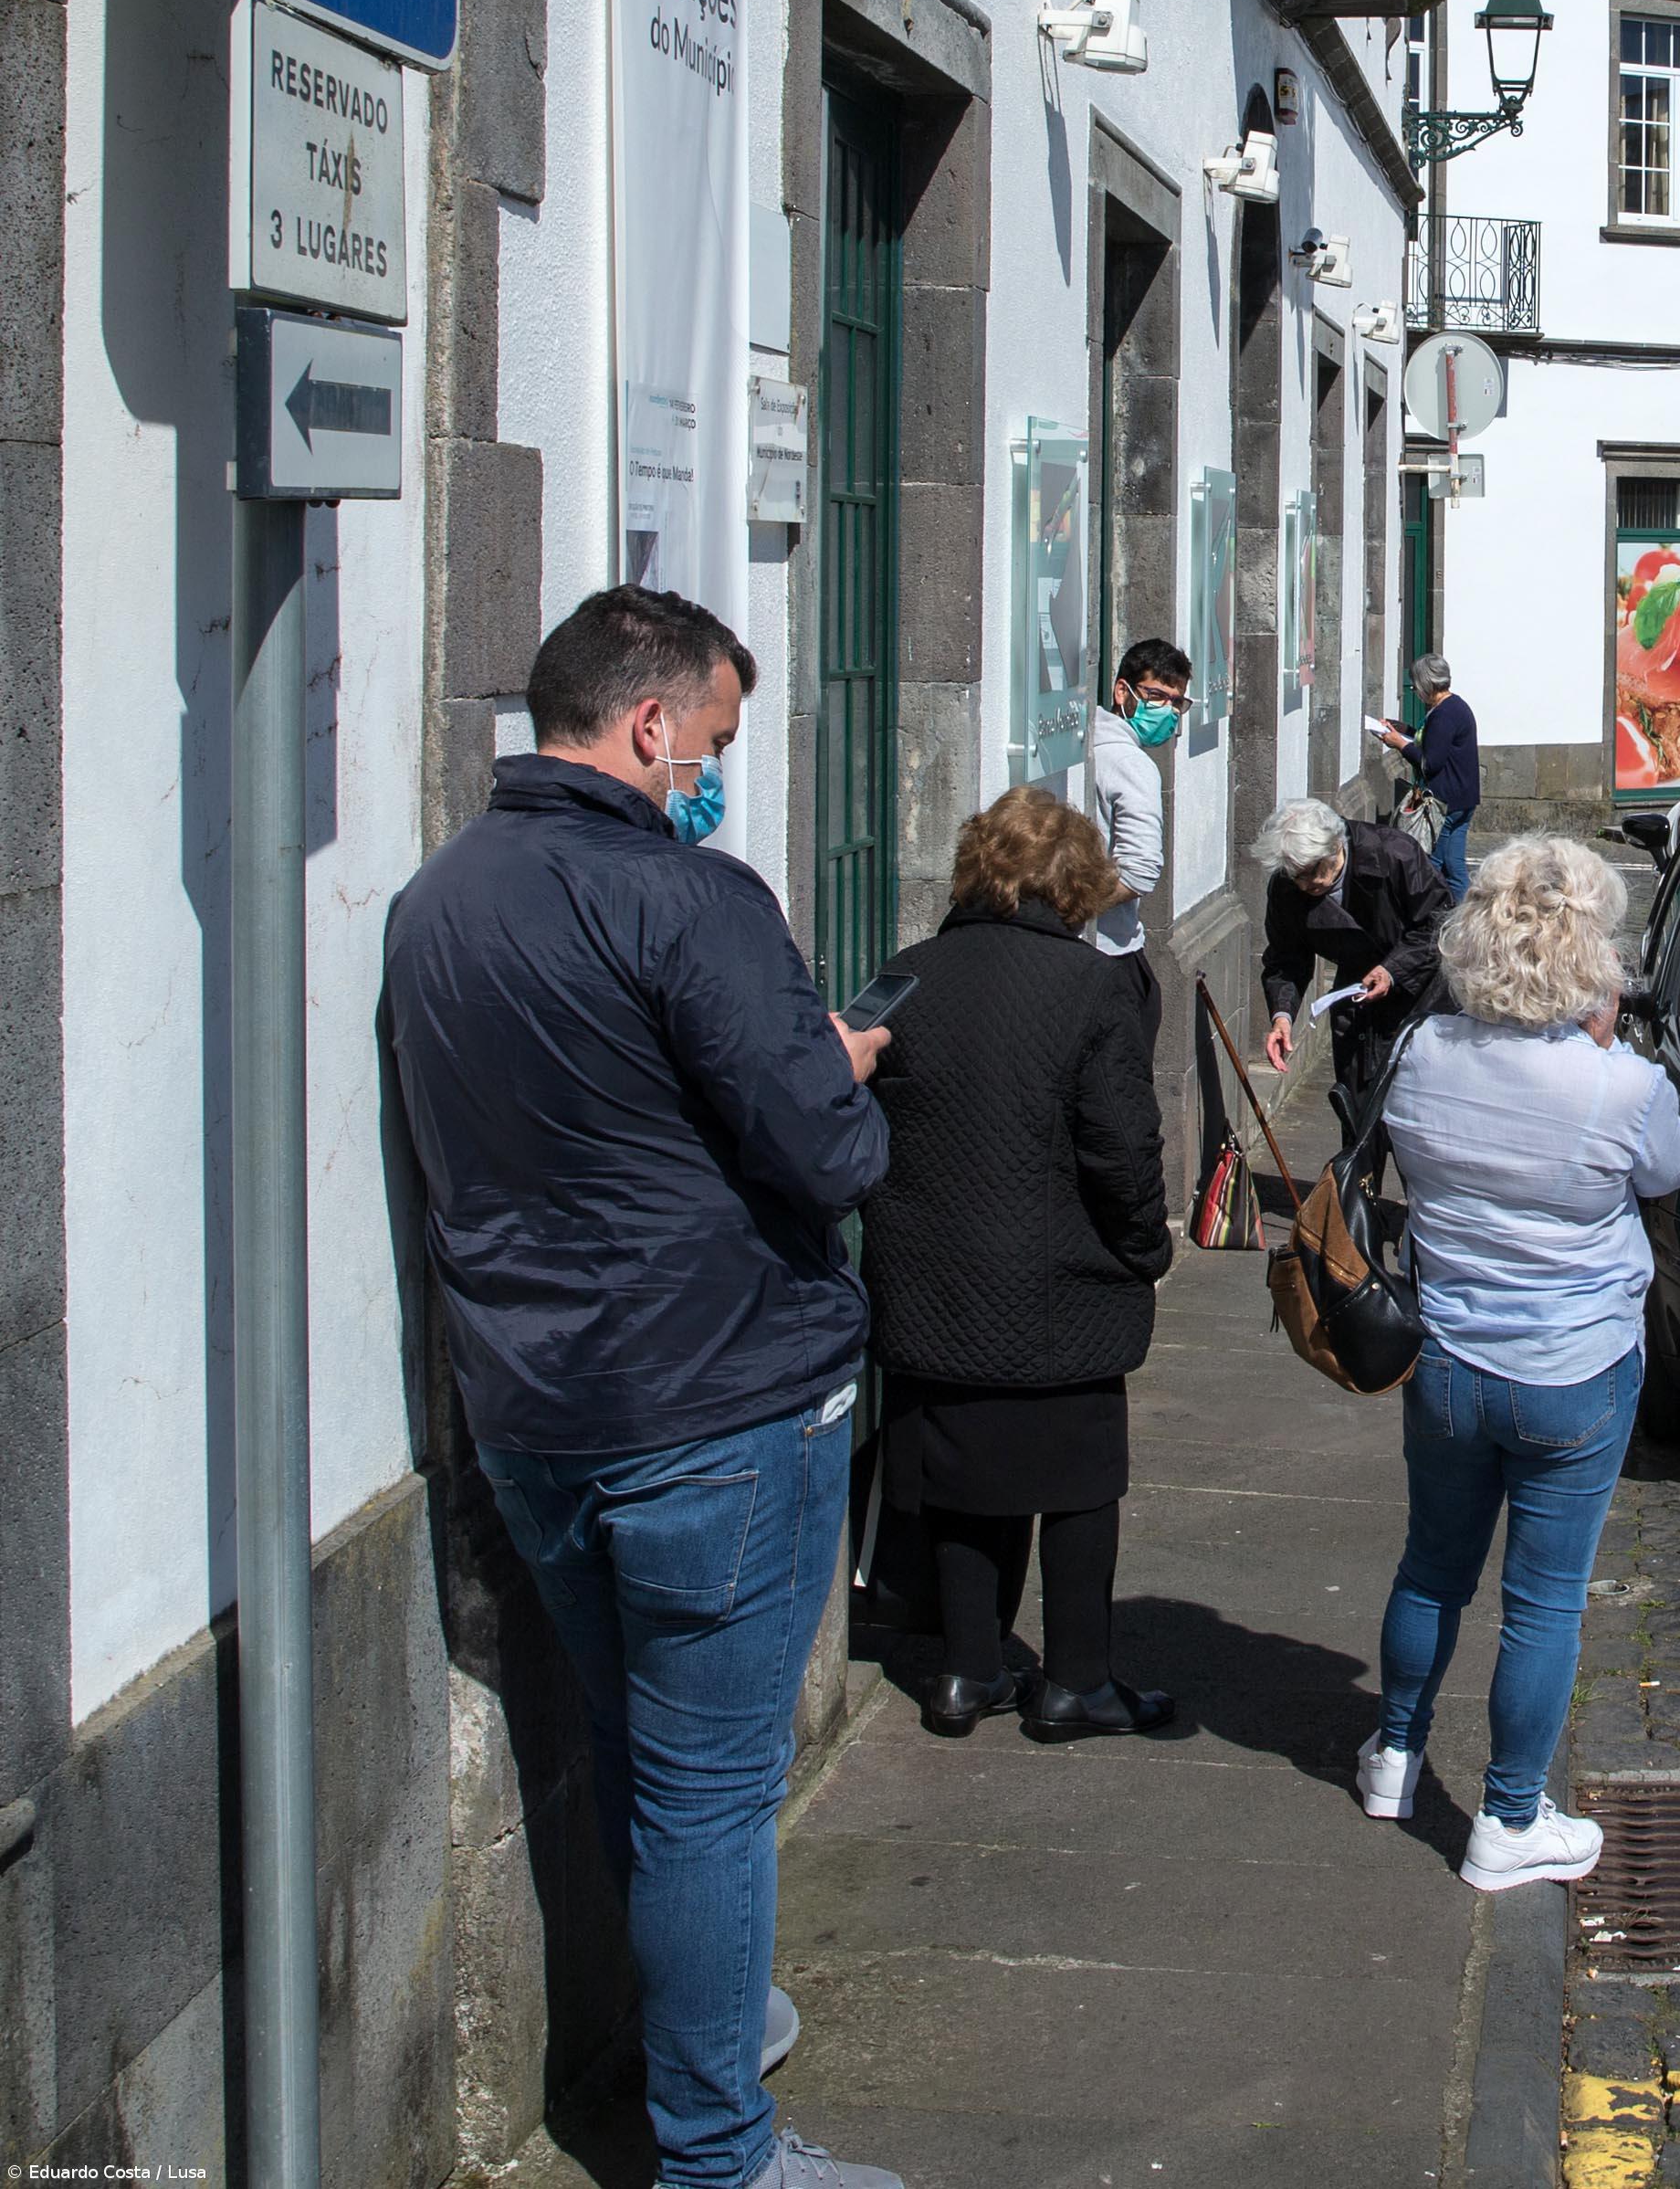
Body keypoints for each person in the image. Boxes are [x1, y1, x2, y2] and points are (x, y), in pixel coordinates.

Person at [383, 586, 902, 2189]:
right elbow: (830, 1148)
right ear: (650, 723)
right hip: (713, 1403)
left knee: (638, 1747)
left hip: (535, 1403)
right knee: (707, 1792)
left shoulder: (437, 899)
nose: (713, 780)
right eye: (715, 746)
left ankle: (706, 2021)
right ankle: (720, 2149)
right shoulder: (690, 900)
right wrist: (843, 1063)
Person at [1353, 838, 1680, 1889]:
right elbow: (1669, 1174)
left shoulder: (1421, 1056)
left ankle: (1396, 1757)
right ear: (1589, 955)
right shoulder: (1618, 1085)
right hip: (1573, 1366)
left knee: (1431, 1568)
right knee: (1544, 1603)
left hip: (1449, 1355)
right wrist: (1601, 1051)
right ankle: (1508, 1818)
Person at [857, 787, 1179, 1743]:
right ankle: (1076, 1679)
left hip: (933, 1283)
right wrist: (1143, 1246)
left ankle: (966, 1670)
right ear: (1075, 882)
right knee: (1078, 1479)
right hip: (1057, 1284)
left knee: (961, 1474)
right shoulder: (1089, 989)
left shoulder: (904, 977)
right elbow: (1122, 1146)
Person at [1255, 797, 1450, 1099]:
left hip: (1420, 990)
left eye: (1311, 870)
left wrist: (1392, 970)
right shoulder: (1286, 887)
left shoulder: (1394, 853)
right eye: (1297, 875)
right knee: (1359, 1103)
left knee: (1418, 1099)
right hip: (1358, 998)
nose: (1306, 884)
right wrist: (1282, 1016)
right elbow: (1286, 958)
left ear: (1335, 846)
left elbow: (1438, 923)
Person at [1086, 637, 1192, 1026]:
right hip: (1111, 953)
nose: (1168, 710)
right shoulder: (1134, 764)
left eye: (1176, 702)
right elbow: (1139, 870)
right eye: (1156, 695)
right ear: (1122, 691)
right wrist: (1075, 913)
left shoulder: (1081, 743)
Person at [1372, 656, 1481, 900]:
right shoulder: (1454, 707)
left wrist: (1399, 744)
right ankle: (1463, 918)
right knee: (1454, 867)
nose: (1415, 690)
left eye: (1415, 685)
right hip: (1462, 799)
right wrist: (1402, 730)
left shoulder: (1443, 715)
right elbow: (1432, 742)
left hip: (1445, 803)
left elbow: (1430, 763)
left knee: (1431, 863)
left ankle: (1433, 917)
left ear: (1426, 684)